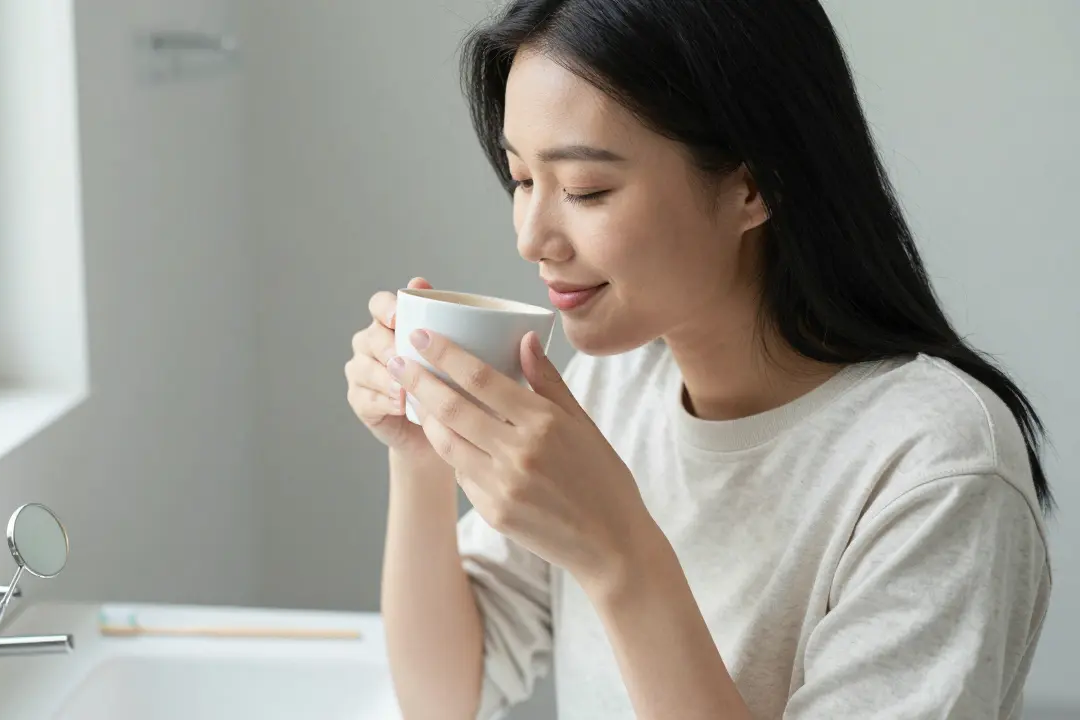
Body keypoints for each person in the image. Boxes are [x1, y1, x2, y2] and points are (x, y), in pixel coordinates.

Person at [343, 0, 1052, 717]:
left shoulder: (935, 467)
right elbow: (443, 698)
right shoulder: (614, 383)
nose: (531, 238)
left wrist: (621, 557)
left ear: (754, 185)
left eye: (586, 190)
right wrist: (424, 459)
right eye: (523, 179)